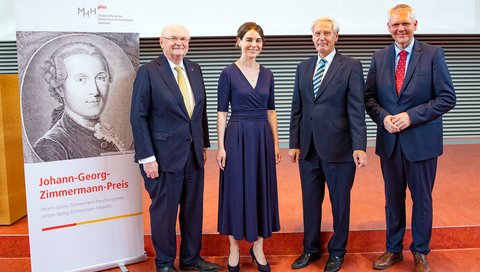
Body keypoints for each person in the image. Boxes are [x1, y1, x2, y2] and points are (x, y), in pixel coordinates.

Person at [364, 4, 456, 272]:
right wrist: (383, 117)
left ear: (416, 25)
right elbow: (369, 98)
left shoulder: (432, 54)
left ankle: (420, 252)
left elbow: (447, 97)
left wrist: (411, 116)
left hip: (422, 142)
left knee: (422, 199)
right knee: (392, 199)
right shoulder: (378, 57)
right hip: (390, 143)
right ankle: (393, 250)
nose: (400, 29)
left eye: (405, 23)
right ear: (388, 28)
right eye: (395, 25)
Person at [130, 24, 220, 272]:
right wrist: (147, 157)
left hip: (193, 156)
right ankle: (165, 263)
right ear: (161, 42)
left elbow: (198, 111)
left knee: (193, 211)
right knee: (164, 214)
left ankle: (191, 259)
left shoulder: (194, 68)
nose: (179, 42)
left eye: (183, 38)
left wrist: (203, 144)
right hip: (162, 158)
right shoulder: (148, 72)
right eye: (173, 38)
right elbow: (138, 117)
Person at [289, 17, 367, 272]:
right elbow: (297, 108)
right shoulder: (303, 67)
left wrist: (359, 146)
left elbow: (356, 108)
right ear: (312, 37)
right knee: (310, 203)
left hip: (340, 148)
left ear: (336, 37)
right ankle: (310, 249)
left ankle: (337, 251)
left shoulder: (351, 66)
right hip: (309, 148)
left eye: (326, 33)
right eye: (317, 33)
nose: (321, 37)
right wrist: (294, 144)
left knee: (339, 203)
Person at [216, 22, 281, 272]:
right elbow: (222, 112)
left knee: (261, 187)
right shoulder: (227, 73)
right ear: (239, 41)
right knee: (235, 189)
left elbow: (271, 110)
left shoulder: (268, 73)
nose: (254, 45)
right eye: (249, 40)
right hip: (237, 136)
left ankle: (258, 247)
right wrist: (221, 146)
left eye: (258, 41)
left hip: (262, 136)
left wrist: (275, 143)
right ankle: (233, 246)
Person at [34, 42, 126, 161]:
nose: (95, 90)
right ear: (60, 89)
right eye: (81, 79)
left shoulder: (105, 132)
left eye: (101, 78)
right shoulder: (52, 147)